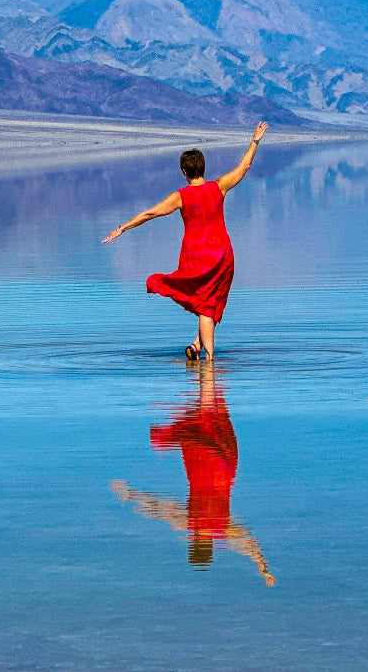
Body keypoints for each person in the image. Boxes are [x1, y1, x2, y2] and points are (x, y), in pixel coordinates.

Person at [103, 122, 269, 362]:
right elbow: (244, 166)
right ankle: (199, 347)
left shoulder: (181, 196)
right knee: (208, 301)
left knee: (205, 304)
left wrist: (122, 228)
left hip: (196, 257)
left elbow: (150, 213)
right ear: (203, 167)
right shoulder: (219, 187)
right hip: (222, 254)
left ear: (184, 172)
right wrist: (255, 141)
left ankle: (209, 360)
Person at [111, 363, 274, 586]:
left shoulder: (221, 529)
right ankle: (208, 371)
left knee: (211, 423)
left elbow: (248, 543)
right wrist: (129, 494)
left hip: (221, 466)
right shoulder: (192, 524)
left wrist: (262, 565)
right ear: (194, 544)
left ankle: (210, 374)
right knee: (198, 427)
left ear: (210, 547)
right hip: (204, 468)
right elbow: (158, 508)